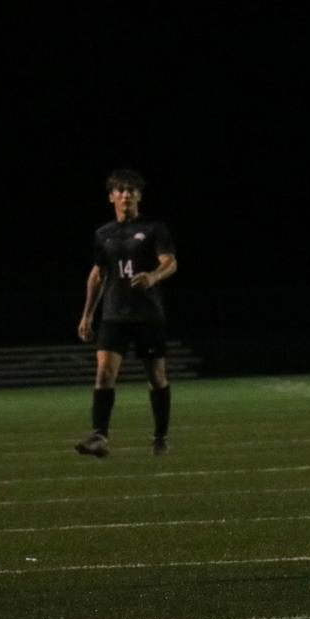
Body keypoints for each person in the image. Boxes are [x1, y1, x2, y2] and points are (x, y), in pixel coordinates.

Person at [75, 168, 179, 456]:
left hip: (148, 315)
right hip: (114, 315)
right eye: (120, 190)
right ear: (111, 197)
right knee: (104, 373)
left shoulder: (155, 227)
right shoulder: (103, 233)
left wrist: (154, 276)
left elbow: (170, 262)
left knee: (156, 377)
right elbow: (98, 274)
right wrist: (87, 314)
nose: (126, 194)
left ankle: (160, 437)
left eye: (131, 190)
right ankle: (99, 436)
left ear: (139, 196)